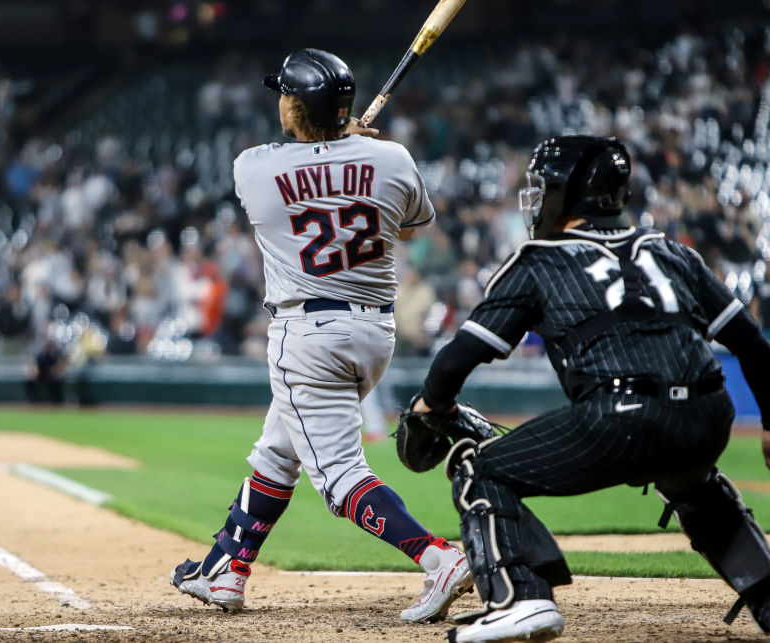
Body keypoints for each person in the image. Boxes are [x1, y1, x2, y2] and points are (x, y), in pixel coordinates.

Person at [411, 136, 770, 642]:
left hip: (618, 415)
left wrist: (431, 403)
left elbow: (456, 361)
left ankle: (521, 597)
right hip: (710, 417)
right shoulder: (671, 252)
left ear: (567, 192)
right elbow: (753, 345)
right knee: (695, 484)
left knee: (480, 466)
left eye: (542, 186)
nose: (535, 197)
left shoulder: (538, 259)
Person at [170, 48, 473, 622]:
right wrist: (355, 147)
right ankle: (225, 569)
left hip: (307, 334)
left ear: (295, 105)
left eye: (284, 94)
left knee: (338, 476)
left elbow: (301, 163)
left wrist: (336, 144)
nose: (278, 101)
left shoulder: (252, 167)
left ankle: (437, 557)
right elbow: (410, 228)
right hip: (373, 334)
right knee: (278, 451)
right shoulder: (393, 159)